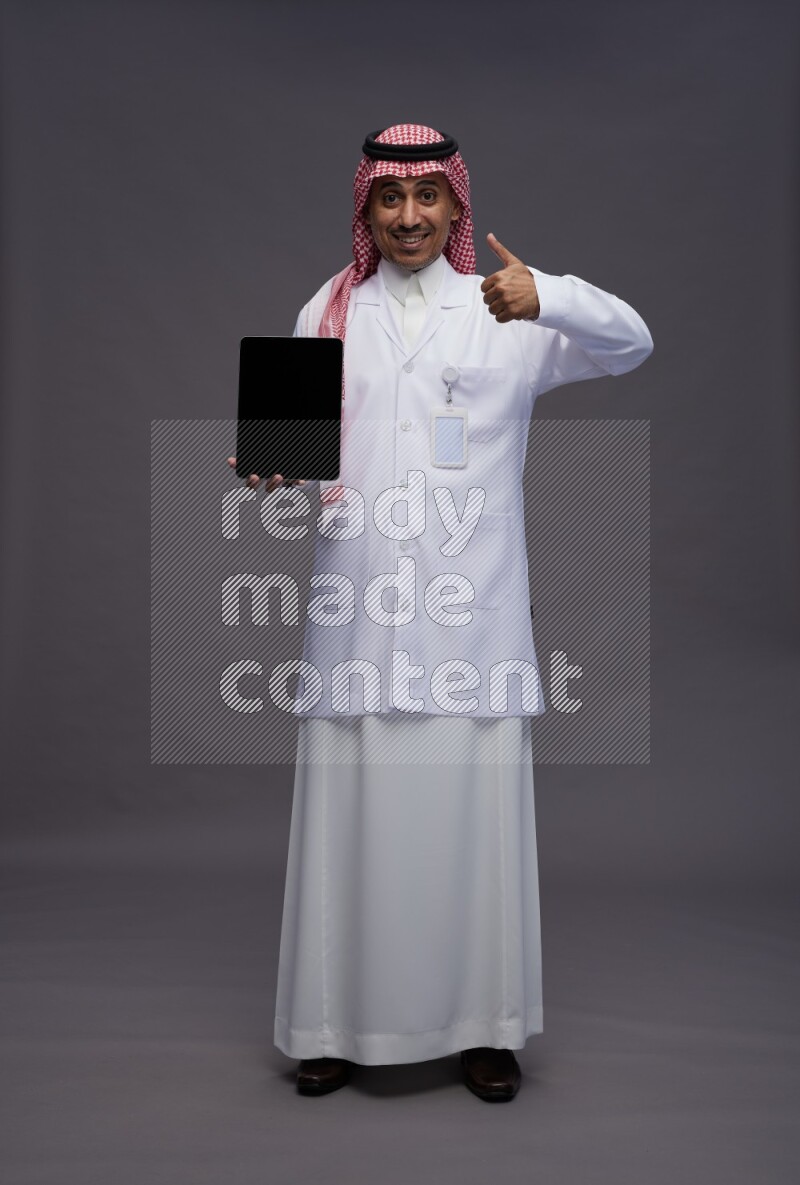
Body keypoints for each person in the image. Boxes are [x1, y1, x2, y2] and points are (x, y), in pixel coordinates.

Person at [228, 124, 653, 1102]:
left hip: (473, 615)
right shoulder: (331, 311)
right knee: (351, 818)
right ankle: (331, 1025)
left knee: (472, 821)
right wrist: (271, 471)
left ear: (458, 208)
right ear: (365, 208)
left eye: (428, 198)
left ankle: (483, 1028)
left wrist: (550, 294)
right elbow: (303, 459)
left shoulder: (502, 308)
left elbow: (631, 343)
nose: (409, 216)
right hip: (357, 602)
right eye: (390, 198)